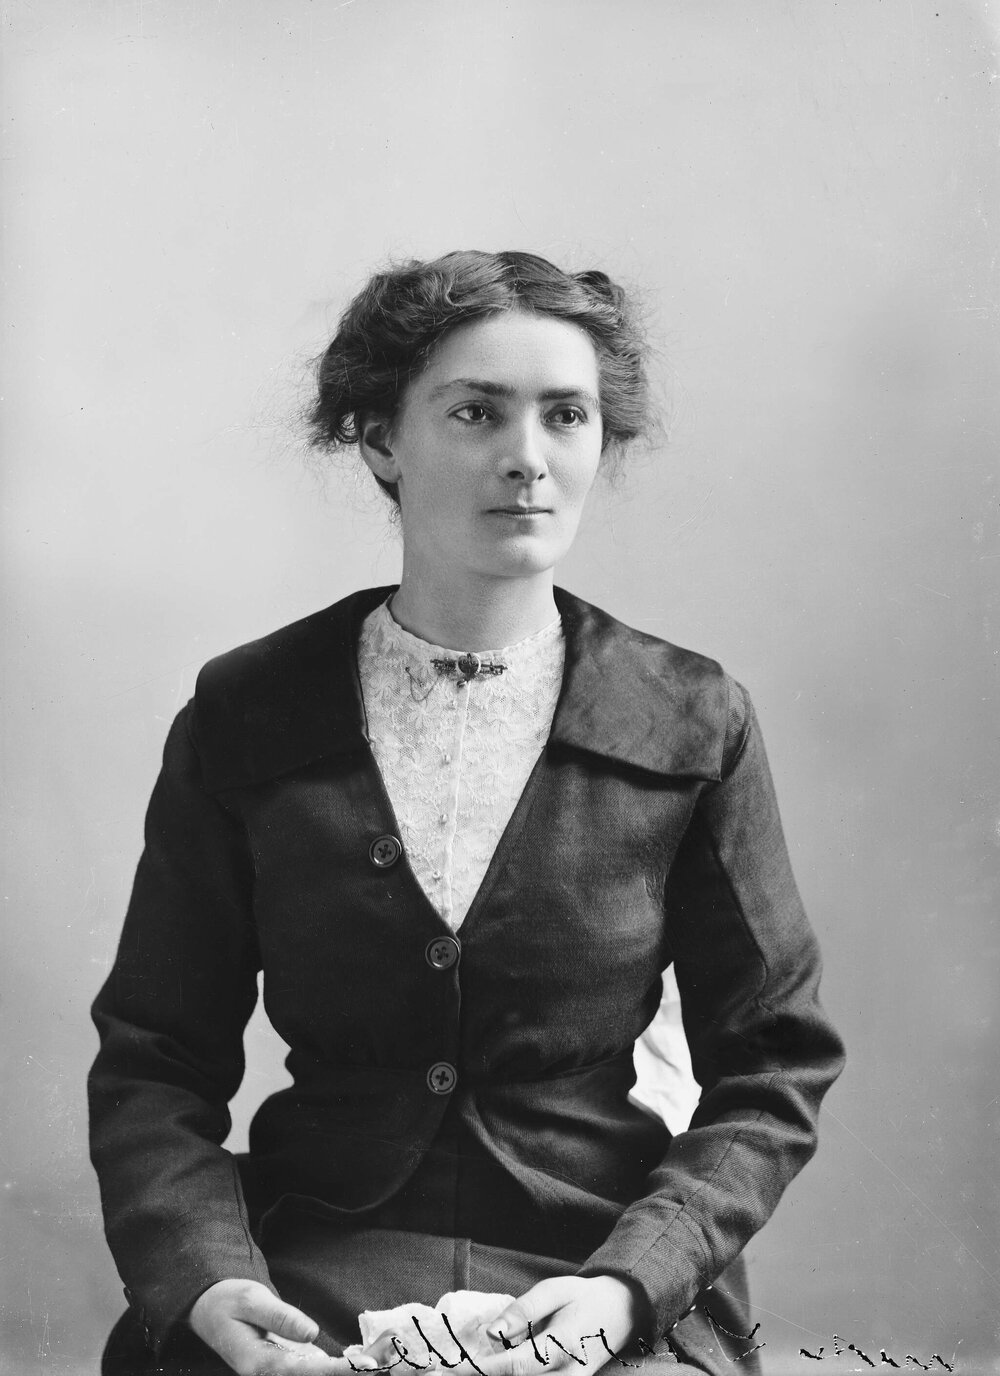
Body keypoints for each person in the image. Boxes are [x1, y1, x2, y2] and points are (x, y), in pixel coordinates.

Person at [88, 250, 846, 1376]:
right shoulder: (248, 712)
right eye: (476, 412)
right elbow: (154, 1057)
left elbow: (775, 1062)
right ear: (382, 438)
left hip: (595, 1274)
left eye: (566, 415)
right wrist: (208, 1277)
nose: (527, 459)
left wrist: (632, 1279)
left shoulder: (689, 718)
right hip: (308, 1264)